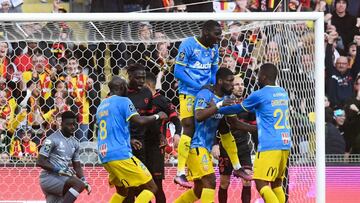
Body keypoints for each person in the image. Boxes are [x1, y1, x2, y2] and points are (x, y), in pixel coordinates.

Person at [174, 68, 255, 203]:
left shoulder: (226, 99)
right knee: (211, 181)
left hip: (205, 148)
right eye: (230, 81)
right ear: (220, 81)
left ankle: (237, 167)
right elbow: (199, 116)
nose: (233, 85)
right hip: (195, 146)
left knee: (198, 191)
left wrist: (256, 129)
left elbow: (233, 122)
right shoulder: (206, 94)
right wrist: (218, 106)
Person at [218, 63, 291, 203]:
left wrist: (218, 108)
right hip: (285, 143)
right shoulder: (283, 92)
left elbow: (238, 108)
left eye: (258, 75)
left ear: (263, 76)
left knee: (260, 182)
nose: (257, 78)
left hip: (270, 146)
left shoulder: (260, 94)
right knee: (276, 183)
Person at [96, 76, 167, 203]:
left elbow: (109, 130)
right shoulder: (123, 101)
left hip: (105, 155)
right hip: (120, 155)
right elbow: (139, 120)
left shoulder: (101, 106)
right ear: (122, 87)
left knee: (122, 192)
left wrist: (128, 140)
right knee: (152, 187)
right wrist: (158, 116)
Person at [174, 20, 222, 187]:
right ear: (206, 32)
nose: (219, 38)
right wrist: (199, 86)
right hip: (188, 92)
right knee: (188, 126)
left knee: (213, 124)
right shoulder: (187, 44)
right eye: (217, 34)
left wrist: (213, 89)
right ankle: (179, 172)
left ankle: (201, 162)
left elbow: (214, 71)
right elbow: (178, 71)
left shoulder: (214, 48)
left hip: (205, 93)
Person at [212, 75, 254, 203]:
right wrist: (215, 144)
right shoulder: (223, 103)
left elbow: (254, 125)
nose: (240, 87)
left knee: (247, 181)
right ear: (230, 86)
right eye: (237, 84)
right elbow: (214, 125)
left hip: (243, 147)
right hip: (226, 148)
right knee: (225, 183)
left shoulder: (248, 104)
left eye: (242, 84)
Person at [144, 71, 182, 203]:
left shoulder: (161, 100)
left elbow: (175, 119)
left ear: (148, 84)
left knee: (157, 186)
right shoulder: (141, 100)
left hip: (156, 148)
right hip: (141, 147)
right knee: (143, 185)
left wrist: (177, 134)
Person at [37, 111, 91, 203]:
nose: (72, 127)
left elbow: (77, 166)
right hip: (49, 177)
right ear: (61, 124)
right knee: (78, 184)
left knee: (80, 184)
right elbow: (40, 161)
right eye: (69, 124)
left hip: (61, 179)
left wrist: (84, 180)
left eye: (74, 124)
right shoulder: (51, 140)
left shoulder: (75, 143)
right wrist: (58, 169)